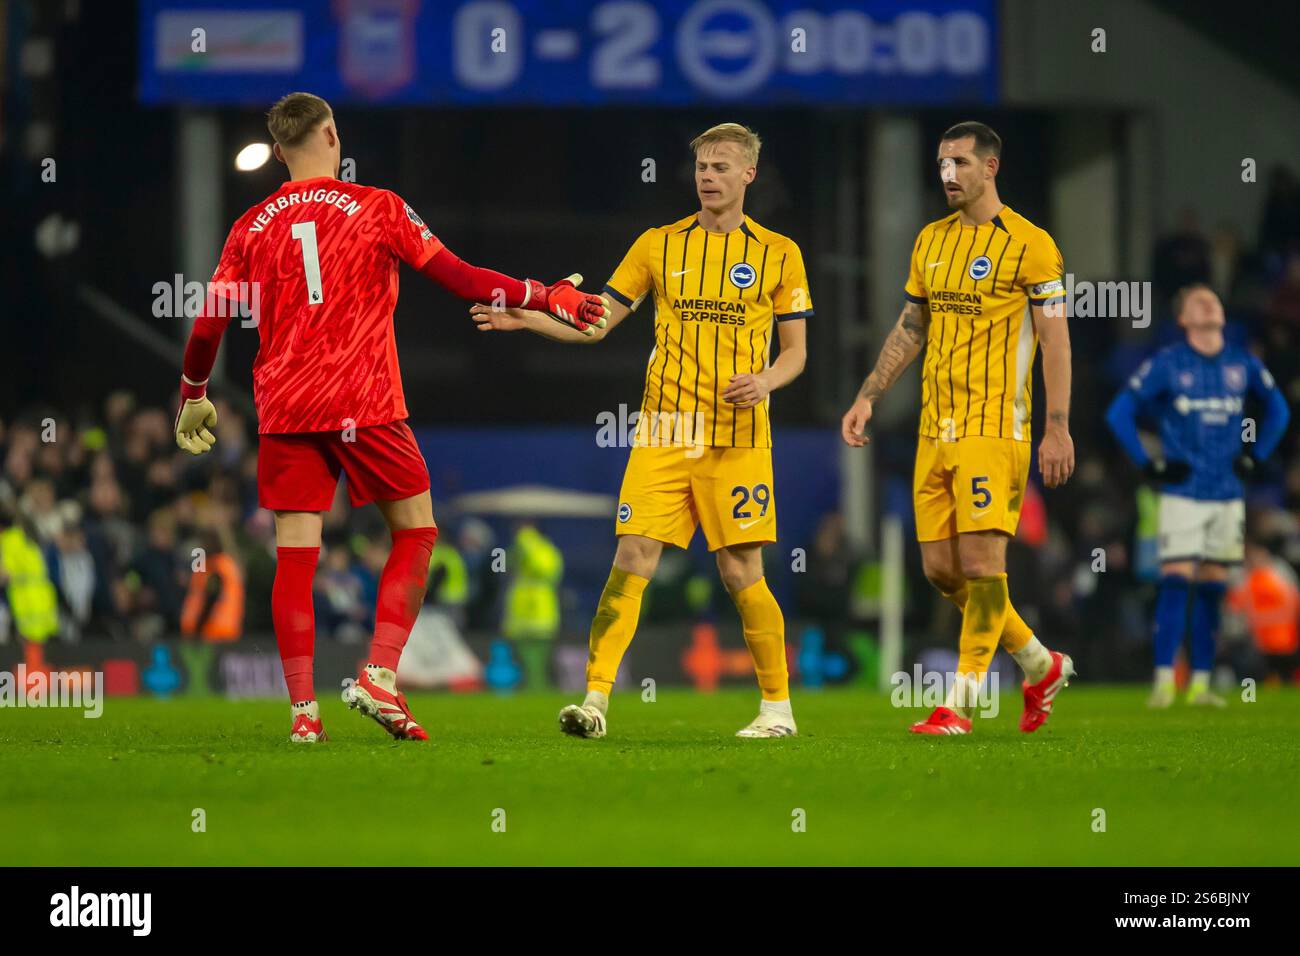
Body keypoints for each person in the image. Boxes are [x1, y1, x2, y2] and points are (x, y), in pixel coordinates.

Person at [173, 92, 607, 742]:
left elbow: (209, 322)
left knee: (296, 554)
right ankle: (379, 674)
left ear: (281, 147)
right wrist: (542, 294)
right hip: (363, 398)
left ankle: (302, 716)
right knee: (416, 531)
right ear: (330, 134)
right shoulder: (378, 207)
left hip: (286, 406)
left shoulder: (251, 226)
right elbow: (460, 278)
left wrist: (194, 392)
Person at [472, 123, 811, 738]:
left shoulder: (779, 253)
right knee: (631, 557)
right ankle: (595, 702)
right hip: (662, 431)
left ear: (748, 176)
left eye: (721, 167)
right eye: (702, 166)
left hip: (737, 436)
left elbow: (796, 354)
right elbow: (597, 324)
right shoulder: (658, 245)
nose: (708, 176)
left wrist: (765, 381)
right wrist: (530, 318)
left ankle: (776, 710)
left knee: (741, 573)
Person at [840, 121, 1077, 736]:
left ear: (991, 167)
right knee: (941, 572)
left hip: (995, 425)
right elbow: (910, 327)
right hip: (934, 428)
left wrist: (1058, 426)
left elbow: (1055, 340)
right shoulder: (930, 241)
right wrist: (869, 393)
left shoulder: (1031, 245)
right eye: (943, 163)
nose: (948, 174)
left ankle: (960, 706)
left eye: (961, 163)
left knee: (980, 563)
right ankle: (1038, 663)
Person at [1105, 284, 1290, 707]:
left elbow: (1279, 408)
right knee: (1175, 582)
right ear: (1183, 318)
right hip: (1183, 492)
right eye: (1197, 301)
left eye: (1214, 299)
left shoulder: (1241, 362)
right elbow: (1120, 412)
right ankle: (1165, 680)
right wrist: (1148, 463)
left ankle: (1202, 684)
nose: (1209, 303)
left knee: (1212, 588)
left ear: (1223, 315)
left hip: (1226, 493)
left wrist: (1256, 457)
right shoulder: (1169, 364)